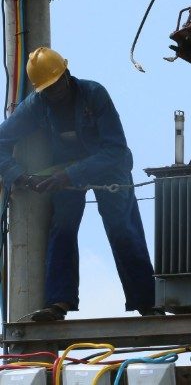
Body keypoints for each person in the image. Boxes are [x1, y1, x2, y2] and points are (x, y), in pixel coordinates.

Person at [0, 47, 160, 321]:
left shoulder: (94, 94)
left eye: (56, 85)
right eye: (47, 89)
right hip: (65, 172)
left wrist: (71, 175)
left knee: (122, 227)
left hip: (108, 167)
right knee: (62, 226)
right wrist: (20, 176)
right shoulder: (37, 105)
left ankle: (147, 302)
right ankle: (58, 302)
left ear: (67, 75)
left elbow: (115, 150)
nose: (54, 93)